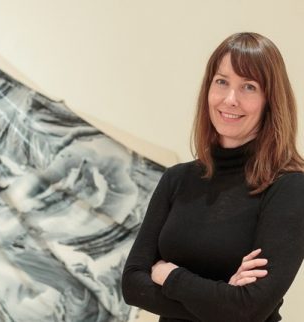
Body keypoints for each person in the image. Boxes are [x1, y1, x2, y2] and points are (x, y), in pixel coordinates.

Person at [121, 32, 304, 322]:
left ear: (270, 100)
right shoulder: (176, 179)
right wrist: (224, 303)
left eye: (248, 86)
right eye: (222, 82)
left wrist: (169, 275)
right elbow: (132, 286)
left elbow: (251, 308)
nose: (230, 99)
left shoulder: (290, 186)